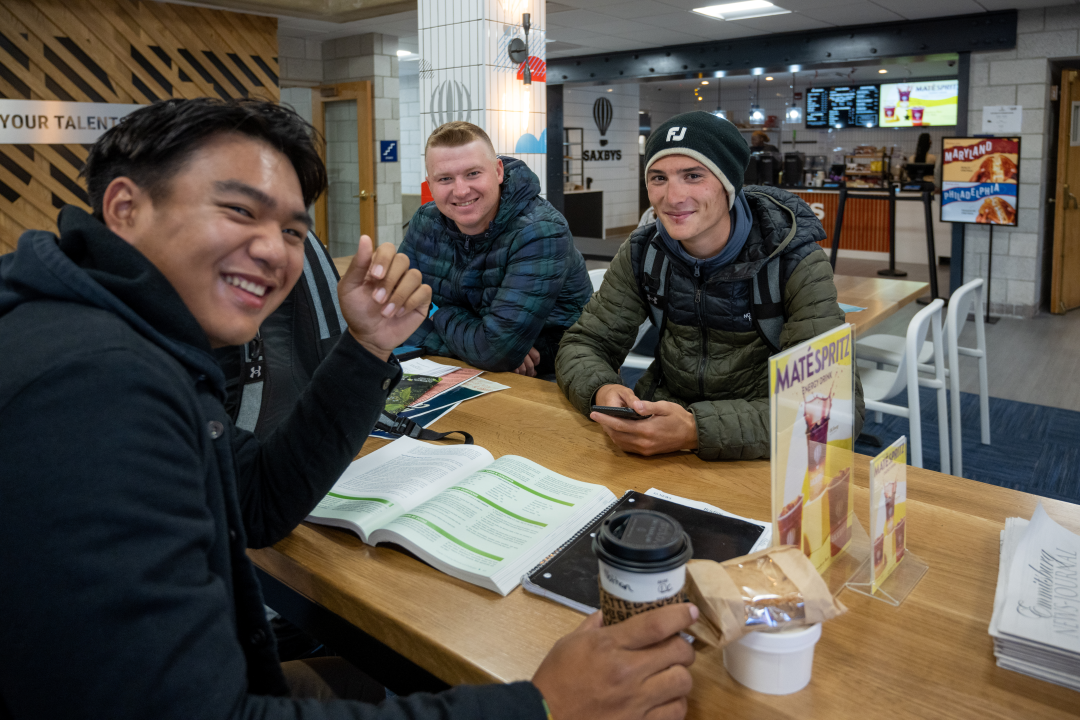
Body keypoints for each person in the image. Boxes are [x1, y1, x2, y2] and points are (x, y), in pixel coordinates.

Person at [0, 98, 697, 720]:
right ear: (125, 209)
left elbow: (262, 501)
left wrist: (366, 348)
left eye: (294, 231)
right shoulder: (91, 385)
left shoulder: (127, 337)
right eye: (240, 210)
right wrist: (541, 708)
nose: (273, 250)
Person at [556, 111, 864, 460]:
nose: (673, 197)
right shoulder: (645, 251)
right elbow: (584, 342)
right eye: (659, 178)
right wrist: (602, 389)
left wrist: (695, 430)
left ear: (728, 183)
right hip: (654, 436)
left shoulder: (793, 260)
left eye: (693, 175)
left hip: (759, 452)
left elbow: (835, 410)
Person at [399, 121, 592, 378]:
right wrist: (483, 346)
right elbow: (396, 313)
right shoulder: (426, 220)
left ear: (498, 171)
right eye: (445, 178)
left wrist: (433, 312)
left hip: (550, 378)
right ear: (430, 184)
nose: (461, 190)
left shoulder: (540, 231)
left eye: (473, 174)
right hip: (461, 369)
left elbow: (496, 351)